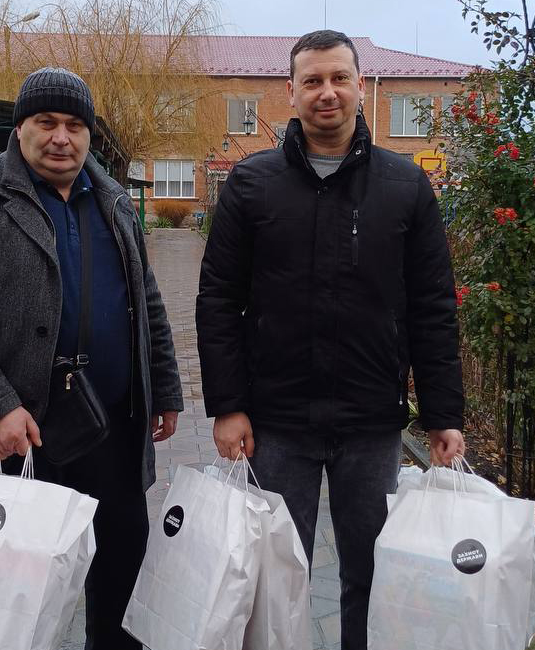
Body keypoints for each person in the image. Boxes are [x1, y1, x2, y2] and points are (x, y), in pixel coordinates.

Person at [195, 30, 465, 650]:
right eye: (312, 80)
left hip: (371, 423)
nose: (327, 92)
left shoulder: (405, 185)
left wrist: (443, 414)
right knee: (273, 578)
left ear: (360, 87)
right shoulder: (252, 184)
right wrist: (228, 406)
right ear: (290, 92)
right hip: (276, 422)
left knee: (371, 576)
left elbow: (431, 308)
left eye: (340, 78)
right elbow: (218, 301)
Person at [0, 67, 183, 650]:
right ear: (20, 128)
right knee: (8, 598)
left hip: (112, 429)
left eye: (75, 125)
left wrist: (163, 387)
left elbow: (147, 300)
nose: (61, 137)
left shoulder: (114, 201)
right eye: (46, 122)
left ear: (89, 135)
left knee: (121, 576)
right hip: (19, 438)